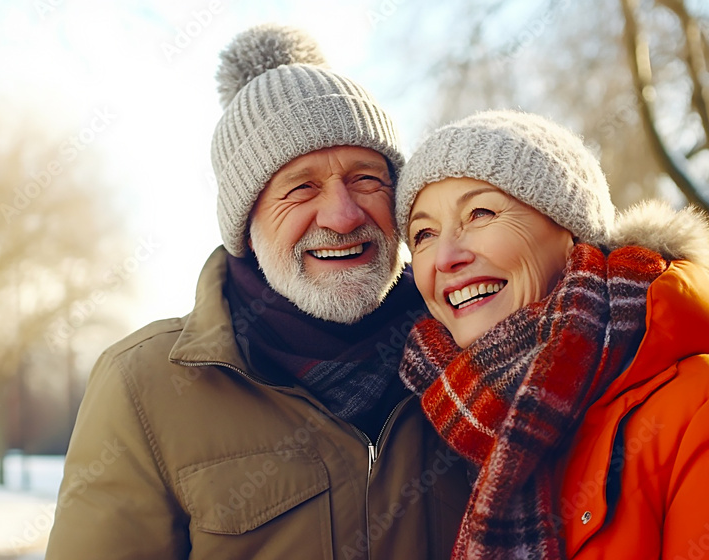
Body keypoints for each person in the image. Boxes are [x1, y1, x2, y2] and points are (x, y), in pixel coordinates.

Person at [44, 24, 470, 560]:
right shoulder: (144, 385)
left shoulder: (478, 352)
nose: (343, 216)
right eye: (301, 187)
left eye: (366, 179)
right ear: (247, 224)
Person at [393, 109, 709, 559]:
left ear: (573, 234)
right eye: (423, 235)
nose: (445, 257)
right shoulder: (444, 439)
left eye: (480, 213)